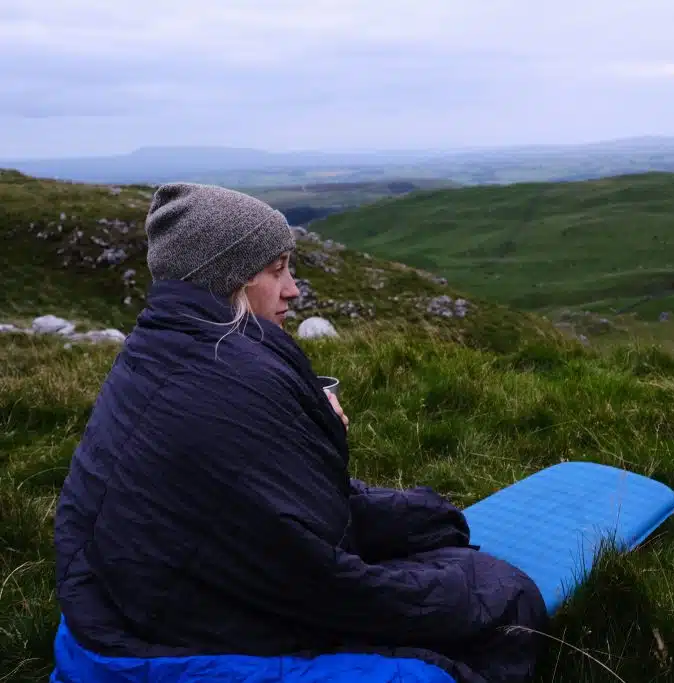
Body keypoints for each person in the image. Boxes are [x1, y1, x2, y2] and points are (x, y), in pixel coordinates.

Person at [50, 183, 548, 683]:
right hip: (156, 640)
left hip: (116, 603)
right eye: (276, 269)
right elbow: (311, 572)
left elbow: (260, 502)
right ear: (230, 278)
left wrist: (425, 515)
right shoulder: (234, 374)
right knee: (503, 597)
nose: (293, 289)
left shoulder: (158, 346)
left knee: (430, 524)